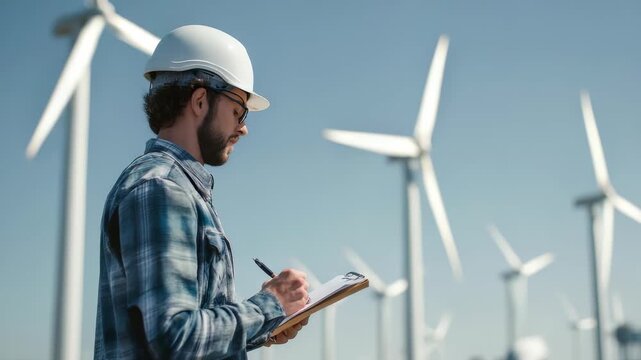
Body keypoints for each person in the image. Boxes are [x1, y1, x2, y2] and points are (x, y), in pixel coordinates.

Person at [94, 25, 310, 359]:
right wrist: (270, 305)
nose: (244, 127)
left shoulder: (177, 188)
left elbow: (184, 334)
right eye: (238, 110)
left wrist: (267, 325)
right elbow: (173, 336)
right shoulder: (161, 187)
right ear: (199, 100)